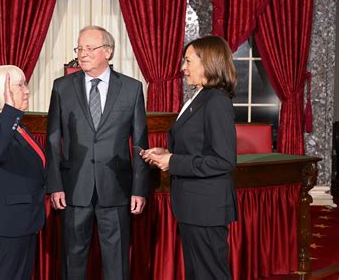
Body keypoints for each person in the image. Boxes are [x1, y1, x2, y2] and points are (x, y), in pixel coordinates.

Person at [45, 25, 149, 280]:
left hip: (116, 190)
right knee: (73, 262)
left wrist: (139, 189)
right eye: (80, 48)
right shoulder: (61, 87)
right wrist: (55, 185)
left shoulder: (132, 88)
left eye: (90, 48)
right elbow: (52, 139)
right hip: (73, 190)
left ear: (108, 52)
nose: (83, 53)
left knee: (117, 264)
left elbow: (139, 143)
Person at [141, 35, 238, 279]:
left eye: (187, 61)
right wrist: (166, 154)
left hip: (206, 208)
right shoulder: (201, 96)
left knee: (210, 274)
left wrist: (173, 162)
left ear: (208, 62)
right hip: (194, 206)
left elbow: (224, 160)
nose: (183, 68)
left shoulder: (216, 101)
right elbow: (196, 148)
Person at [0, 65, 46, 279]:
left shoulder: (17, 126)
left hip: (22, 222)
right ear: (0, 92)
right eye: (19, 85)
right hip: (4, 226)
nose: (27, 90)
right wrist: (10, 110)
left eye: (25, 84)